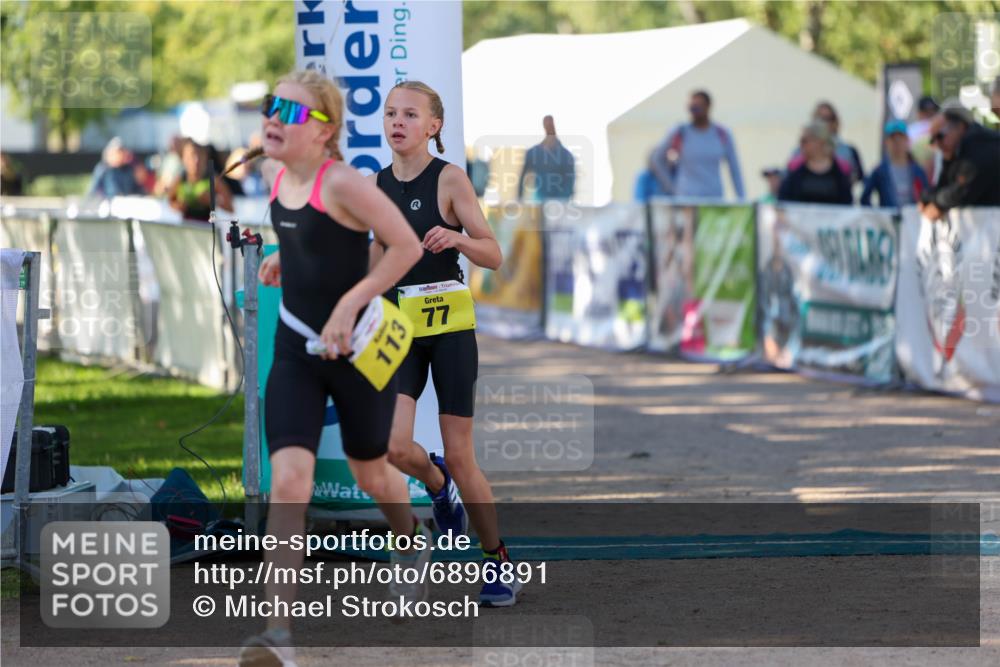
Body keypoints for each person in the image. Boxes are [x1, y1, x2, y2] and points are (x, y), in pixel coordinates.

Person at [238, 70, 423, 667]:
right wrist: (279, 261)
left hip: (359, 351)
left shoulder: (342, 182)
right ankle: (277, 635)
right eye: (272, 108)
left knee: (374, 475)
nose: (273, 121)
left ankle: (410, 545)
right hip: (297, 350)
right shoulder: (272, 174)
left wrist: (349, 303)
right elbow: (306, 241)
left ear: (325, 132)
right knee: (289, 483)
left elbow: (405, 248)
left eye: (290, 114)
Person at [369, 81, 523, 607]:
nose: (398, 122)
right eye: (391, 113)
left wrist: (456, 237)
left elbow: (494, 254)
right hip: (399, 327)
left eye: (410, 114)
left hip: (450, 326)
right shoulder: (377, 185)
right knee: (392, 445)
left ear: (433, 126)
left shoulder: (450, 179)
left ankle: (497, 560)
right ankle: (436, 486)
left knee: (462, 455)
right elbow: (375, 257)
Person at [651, 90, 745, 200]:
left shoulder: (722, 134)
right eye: (692, 108)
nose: (694, 112)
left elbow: (734, 168)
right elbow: (657, 158)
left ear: (708, 107)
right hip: (686, 201)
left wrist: (741, 198)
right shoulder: (680, 132)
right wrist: (672, 188)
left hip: (714, 199)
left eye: (698, 107)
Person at [919, 105, 1000, 220]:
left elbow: (964, 191)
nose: (937, 143)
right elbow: (945, 185)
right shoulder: (958, 149)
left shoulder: (979, 143)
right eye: (933, 140)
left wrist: (937, 203)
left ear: (960, 127)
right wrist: (927, 198)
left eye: (939, 136)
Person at [778, 121, 853, 205]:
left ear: (819, 142)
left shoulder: (840, 169)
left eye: (804, 141)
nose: (801, 145)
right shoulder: (794, 167)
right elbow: (783, 200)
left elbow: (847, 202)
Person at [860, 120, 929, 208]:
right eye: (893, 139)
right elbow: (865, 197)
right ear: (887, 142)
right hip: (887, 219)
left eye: (900, 138)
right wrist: (876, 215)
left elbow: (926, 195)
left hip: (913, 218)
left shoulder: (918, 171)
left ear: (907, 140)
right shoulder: (879, 171)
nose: (897, 143)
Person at [167, 139, 233, 221]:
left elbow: (231, 208)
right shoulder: (180, 179)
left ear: (205, 158)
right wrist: (179, 206)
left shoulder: (213, 180)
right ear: (183, 159)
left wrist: (212, 201)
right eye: (191, 156)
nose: (196, 160)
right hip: (187, 228)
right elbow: (170, 201)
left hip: (207, 229)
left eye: (199, 155)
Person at [517, 115, 575, 201]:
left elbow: (569, 183)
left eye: (551, 124)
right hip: (539, 202)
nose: (549, 126)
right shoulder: (534, 153)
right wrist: (520, 199)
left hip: (560, 205)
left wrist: (561, 201)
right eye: (547, 124)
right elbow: (522, 177)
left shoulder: (566, 156)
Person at [909, 96, 940, 177]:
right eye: (926, 112)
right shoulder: (912, 130)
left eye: (933, 112)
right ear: (920, 113)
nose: (929, 115)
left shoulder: (911, 130)